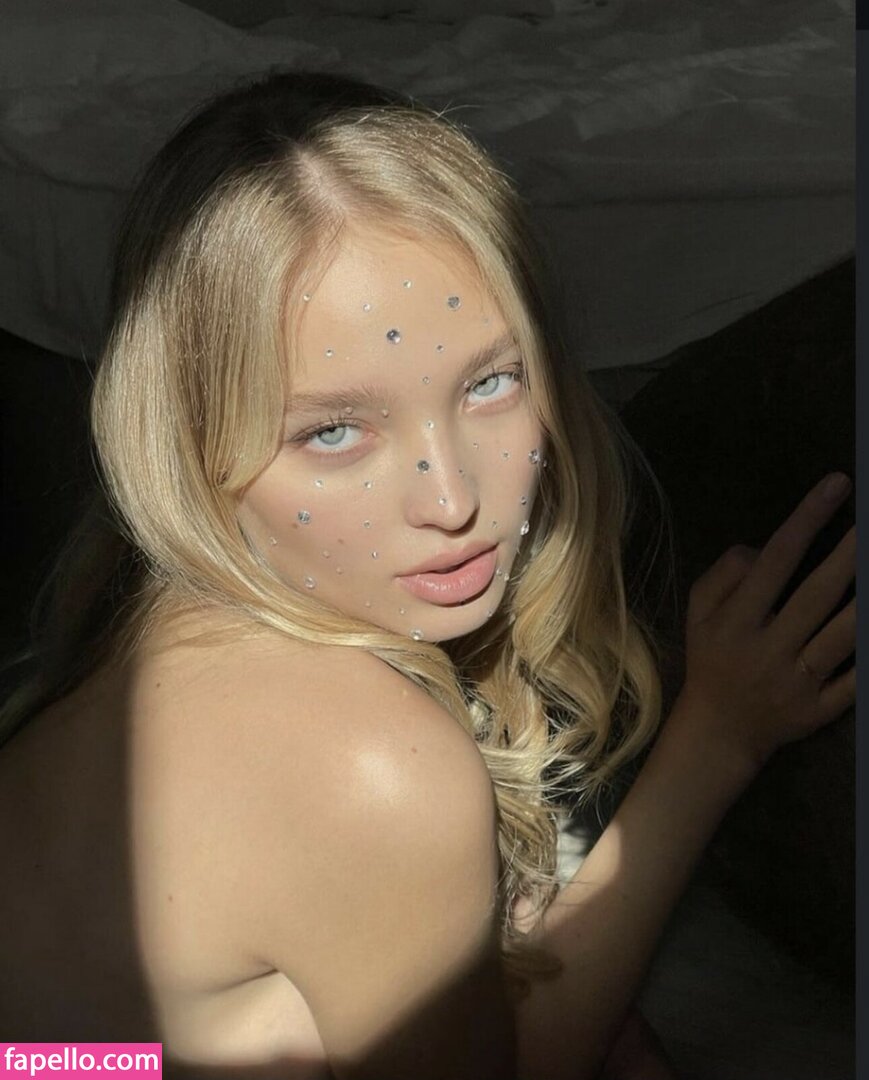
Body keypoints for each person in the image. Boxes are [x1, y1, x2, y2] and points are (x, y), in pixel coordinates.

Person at [0, 71, 855, 1080]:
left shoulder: (151, 615)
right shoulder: (373, 765)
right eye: (332, 432)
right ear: (188, 447)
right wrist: (716, 740)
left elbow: (65, 1057)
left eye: (490, 381)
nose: (451, 499)